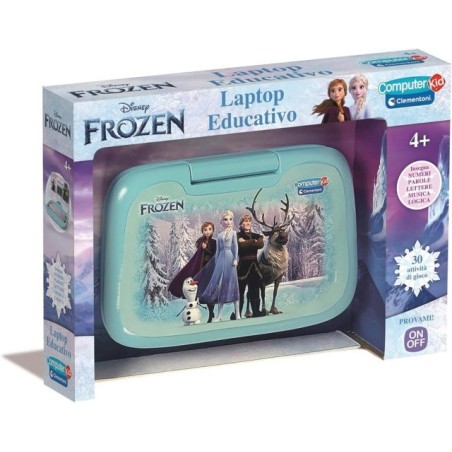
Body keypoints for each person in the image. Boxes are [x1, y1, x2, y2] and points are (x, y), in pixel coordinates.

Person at [194, 210, 240, 322]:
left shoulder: (233, 233)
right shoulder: (219, 235)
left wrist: (235, 259)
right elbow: (218, 251)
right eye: (225, 219)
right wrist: (215, 262)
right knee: (220, 285)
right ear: (221, 222)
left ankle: (238, 313)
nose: (228, 222)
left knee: (233, 284)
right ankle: (219, 315)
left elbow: (235, 247)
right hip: (220, 260)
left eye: (230, 219)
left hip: (230, 259)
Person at [168, 222, 217, 321]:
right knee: (194, 290)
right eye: (205, 230)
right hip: (199, 269)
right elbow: (197, 257)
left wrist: (206, 249)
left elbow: (214, 255)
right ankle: (193, 315)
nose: (207, 231)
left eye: (209, 229)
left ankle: (211, 314)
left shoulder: (214, 242)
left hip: (209, 270)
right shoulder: (200, 242)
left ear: (212, 230)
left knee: (208, 293)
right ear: (202, 231)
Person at [232, 214, 264, 320]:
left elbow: (260, 245)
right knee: (240, 292)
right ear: (241, 224)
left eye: (249, 221)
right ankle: (237, 314)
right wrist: (253, 241)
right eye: (245, 221)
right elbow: (241, 246)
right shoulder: (237, 236)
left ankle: (256, 312)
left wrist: (247, 242)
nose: (248, 223)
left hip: (255, 267)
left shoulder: (257, 235)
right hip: (242, 267)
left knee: (255, 290)